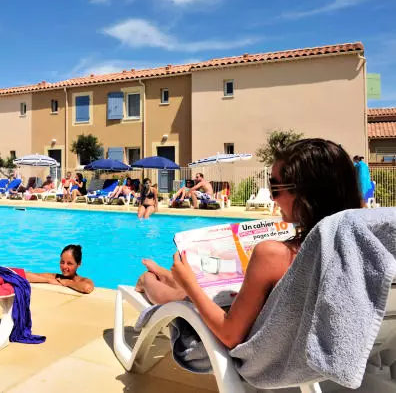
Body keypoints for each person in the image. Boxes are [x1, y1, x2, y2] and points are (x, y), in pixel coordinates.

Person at [135, 138, 362, 349]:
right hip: (296, 341)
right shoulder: (354, 249)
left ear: (305, 194)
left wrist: (190, 286)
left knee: (184, 298)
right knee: (202, 283)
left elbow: (230, 335)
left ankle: (147, 280)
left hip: (251, 347)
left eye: (275, 187)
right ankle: (168, 275)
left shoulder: (273, 255)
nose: (272, 197)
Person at [24, 244, 94, 294]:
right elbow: (25, 275)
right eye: (62, 262)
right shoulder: (56, 277)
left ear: (78, 264)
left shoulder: (83, 280)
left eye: (69, 263)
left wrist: (67, 283)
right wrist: (48, 280)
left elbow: (87, 288)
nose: (64, 266)